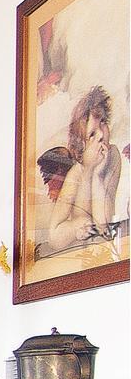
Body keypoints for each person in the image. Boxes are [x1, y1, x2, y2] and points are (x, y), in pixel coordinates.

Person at [35, 85, 127, 260]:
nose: (101, 135)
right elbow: (54, 236)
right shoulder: (75, 173)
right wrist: (75, 226)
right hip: (77, 248)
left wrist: (96, 174)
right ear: (82, 145)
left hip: (101, 248)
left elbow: (104, 223)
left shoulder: (112, 156)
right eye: (92, 134)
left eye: (103, 122)